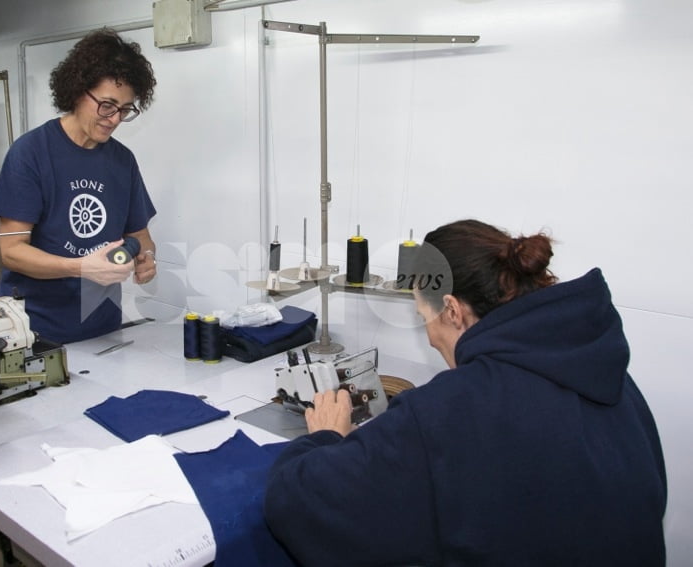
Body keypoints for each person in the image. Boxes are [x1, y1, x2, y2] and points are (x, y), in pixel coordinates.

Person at [264, 219, 666, 566]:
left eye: (424, 316)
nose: (430, 336)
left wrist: (326, 436)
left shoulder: (451, 408)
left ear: (453, 310)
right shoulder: (606, 374)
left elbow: (298, 505)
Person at [0, 28, 158, 344]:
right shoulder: (31, 153)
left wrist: (145, 257)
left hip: (103, 328)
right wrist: (80, 267)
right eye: (107, 105)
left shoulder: (122, 161)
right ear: (78, 91)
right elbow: (12, 252)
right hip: (34, 331)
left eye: (125, 109)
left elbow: (140, 237)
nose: (114, 119)